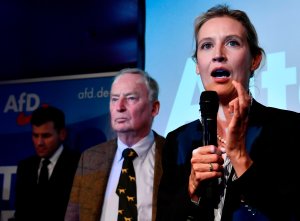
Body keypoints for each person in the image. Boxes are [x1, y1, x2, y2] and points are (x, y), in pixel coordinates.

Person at [156, 4, 300, 221]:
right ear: (197, 64)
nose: (218, 55)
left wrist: (240, 157)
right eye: (206, 45)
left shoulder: (290, 128)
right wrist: (192, 190)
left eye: (232, 43)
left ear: (255, 60)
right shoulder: (178, 141)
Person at [65, 68, 165, 221]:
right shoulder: (90, 158)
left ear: (154, 108)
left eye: (131, 98)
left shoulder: (174, 154)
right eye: (114, 99)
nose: (119, 107)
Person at [14, 105, 81, 221]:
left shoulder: (79, 164)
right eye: (35, 135)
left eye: (46, 136)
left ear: (62, 134)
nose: (39, 142)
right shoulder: (25, 167)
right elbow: (20, 213)